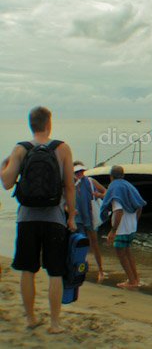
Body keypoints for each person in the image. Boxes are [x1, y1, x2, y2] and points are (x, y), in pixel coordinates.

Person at [0, 106, 76, 334]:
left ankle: (31, 319)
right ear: (49, 123)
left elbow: (7, 183)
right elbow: (70, 187)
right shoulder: (62, 148)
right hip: (54, 218)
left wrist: (3, 166)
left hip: (26, 219)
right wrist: (71, 216)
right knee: (55, 272)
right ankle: (54, 324)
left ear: (30, 124)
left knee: (27, 270)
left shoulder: (20, 149)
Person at [103, 165, 146, 288]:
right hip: (131, 226)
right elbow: (140, 205)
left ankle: (131, 281)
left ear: (111, 177)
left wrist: (113, 230)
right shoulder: (128, 186)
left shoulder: (115, 188)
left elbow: (118, 211)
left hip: (122, 228)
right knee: (128, 252)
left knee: (121, 255)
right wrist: (135, 221)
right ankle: (136, 279)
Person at [73, 162, 107, 282]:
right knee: (79, 244)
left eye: (81, 171)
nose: (79, 174)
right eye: (77, 172)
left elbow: (106, 193)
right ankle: (79, 268)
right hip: (77, 219)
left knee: (94, 243)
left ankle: (101, 271)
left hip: (90, 217)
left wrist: (99, 195)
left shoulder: (90, 181)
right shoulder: (71, 184)